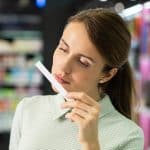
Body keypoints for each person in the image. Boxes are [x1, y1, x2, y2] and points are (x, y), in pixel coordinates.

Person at [9, 8, 144, 150]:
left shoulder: (129, 136)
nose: (64, 67)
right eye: (63, 48)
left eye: (83, 62)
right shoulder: (28, 109)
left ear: (107, 75)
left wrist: (90, 144)